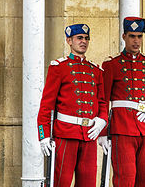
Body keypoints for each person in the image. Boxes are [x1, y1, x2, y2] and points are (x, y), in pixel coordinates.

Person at [37, 24, 108, 187]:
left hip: (89, 134)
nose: (83, 42)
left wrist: (102, 121)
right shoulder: (59, 67)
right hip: (65, 134)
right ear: (69, 40)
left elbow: (102, 102)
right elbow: (47, 105)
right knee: (61, 182)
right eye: (79, 38)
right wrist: (44, 134)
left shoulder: (96, 70)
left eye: (86, 38)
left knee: (88, 183)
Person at [98, 17, 145, 187]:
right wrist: (103, 132)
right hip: (123, 128)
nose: (136, 40)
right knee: (125, 179)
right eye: (132, 36)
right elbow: (103, 100)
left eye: (139, 36)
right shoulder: (112, 65)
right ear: (123, 36)